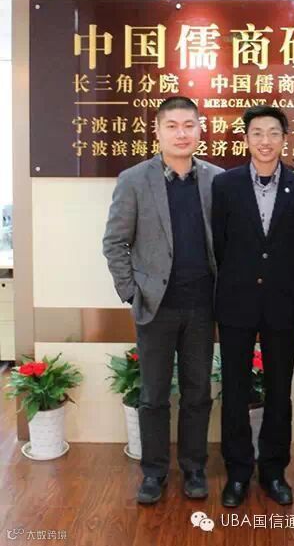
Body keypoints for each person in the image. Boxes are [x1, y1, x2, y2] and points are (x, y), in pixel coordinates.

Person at [103, 96, 224, 505]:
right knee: (153, 395)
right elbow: (115, 242)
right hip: (155, 307)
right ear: (157, 131)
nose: (181, 133)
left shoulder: (216, 180)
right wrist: (131, 292)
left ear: (200, 129)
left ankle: (194, 468)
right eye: (172, 126)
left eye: (189, 125)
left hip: (203, 306)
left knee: (198, 392)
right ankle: (153, 472)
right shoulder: (134, 180)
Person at [212, 105, 294, 508]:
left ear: (285, 139)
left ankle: (273, 471)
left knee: (278, 391)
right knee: (235, 391)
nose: (265, 141)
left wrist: (278, 279)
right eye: (257, 133)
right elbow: (219, 244)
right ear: (246, 139)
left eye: (273, 132)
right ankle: (237, 473)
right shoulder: (226, 185)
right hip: (235, 301)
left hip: (282, 303)